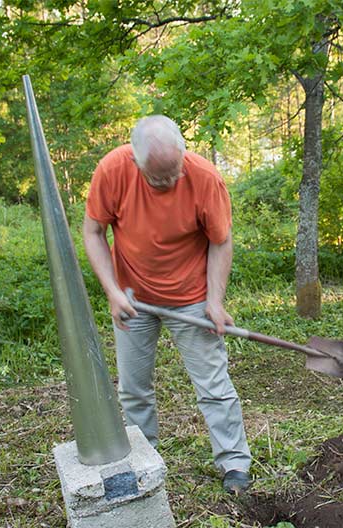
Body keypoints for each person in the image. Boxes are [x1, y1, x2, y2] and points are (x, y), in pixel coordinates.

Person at [83, 115, 252, 495]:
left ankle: (234, 464)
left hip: (191, 298)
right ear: (135, 161)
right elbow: (93, 231)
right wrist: (111, 290)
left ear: (183, 152)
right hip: (133, 299)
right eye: (158, 178)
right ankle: (143, 462)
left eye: (174, 172)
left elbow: (221, 241)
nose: (169, 183)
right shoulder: (112, 170)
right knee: (133, 389)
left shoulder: (204, 177)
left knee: (213, 385)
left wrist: (215, 300)